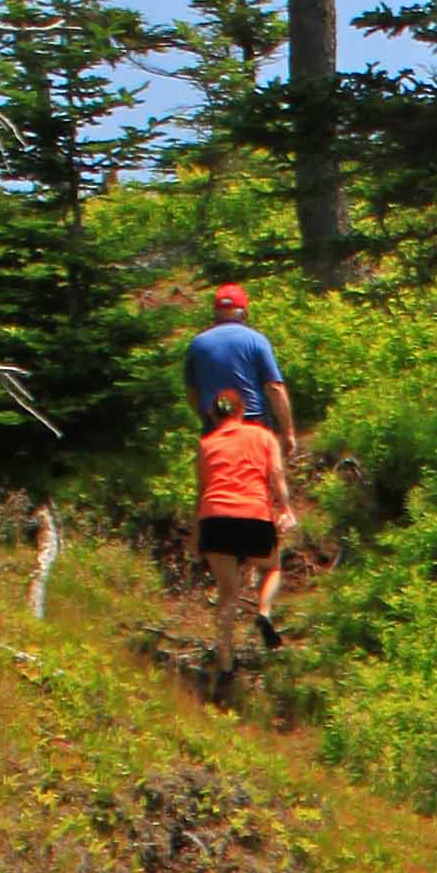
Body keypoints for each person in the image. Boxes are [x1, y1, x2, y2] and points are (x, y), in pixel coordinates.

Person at [193, 385, 294, 666]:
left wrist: (195, 535)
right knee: (272, 566)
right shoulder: (263, 436)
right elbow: (276, 475)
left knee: (227, 593)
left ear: (214, 416)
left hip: (215, 519)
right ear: (242, 410)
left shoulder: (206, 445)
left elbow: (201, 492)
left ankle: (225, 663)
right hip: (253, 515)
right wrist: (285, 507)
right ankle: (264, 611)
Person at [182, 279, 299, 470]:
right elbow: (274, 388)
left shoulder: (197, 344)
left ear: (215, 313)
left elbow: (192, 393)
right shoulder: (256, 340)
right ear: (244, 312)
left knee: (220, 482)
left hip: (215, 425)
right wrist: (288, 432)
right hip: (253, 423)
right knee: (256, 483)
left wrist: (207, 417)